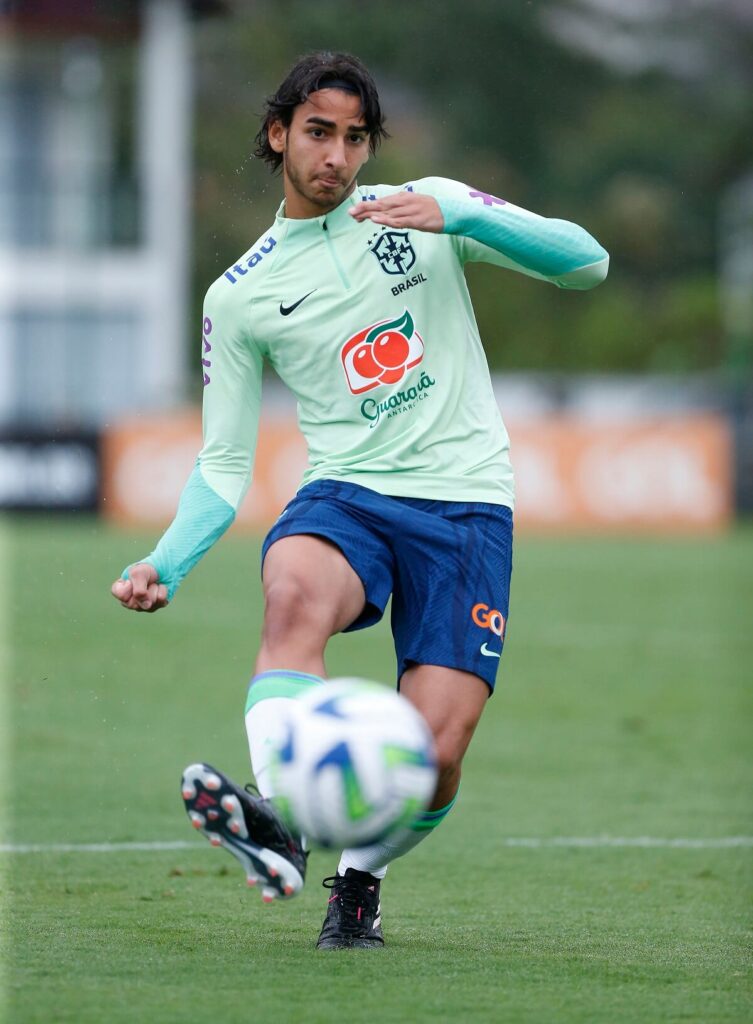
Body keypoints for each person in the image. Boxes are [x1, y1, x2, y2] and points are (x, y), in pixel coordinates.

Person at [111, 50, 608, 950]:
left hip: (464, 507)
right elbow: (223, 466)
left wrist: (459, 214)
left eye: (353, 138)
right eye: (317, 133)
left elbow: (587, 264)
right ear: (278, 136)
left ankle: (357, 884)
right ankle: (279, 821)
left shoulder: (425, 209)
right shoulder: (241, 293)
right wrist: (165, 560)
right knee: (293, 592)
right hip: (347, 495)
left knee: (437, 757)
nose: (337, 156)